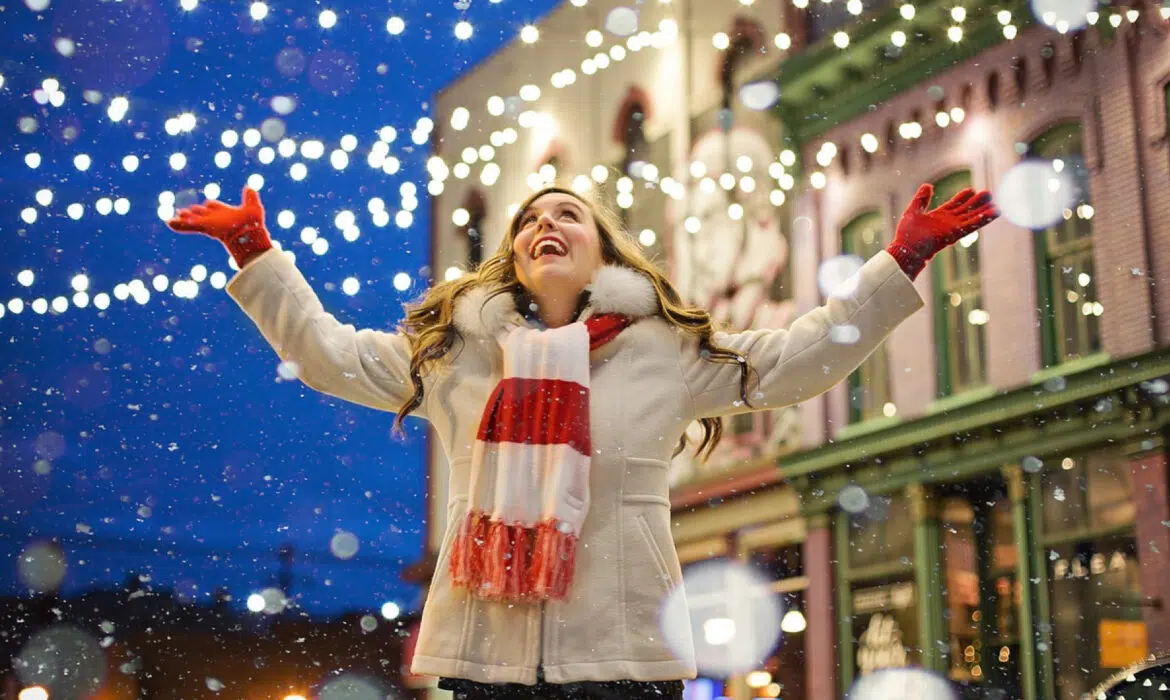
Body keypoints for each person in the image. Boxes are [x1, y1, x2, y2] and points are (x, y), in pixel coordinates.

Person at [167, 182, 998, 699]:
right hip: (489, 654)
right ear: (516, 258)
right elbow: (327, 355)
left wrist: (901, 261)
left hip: (626, 654)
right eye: (529, 221)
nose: (543, 225)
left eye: (566, 215)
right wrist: (254, 250)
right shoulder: (456, 356)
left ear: (601, 251)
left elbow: (797, 360)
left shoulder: (666, 353)